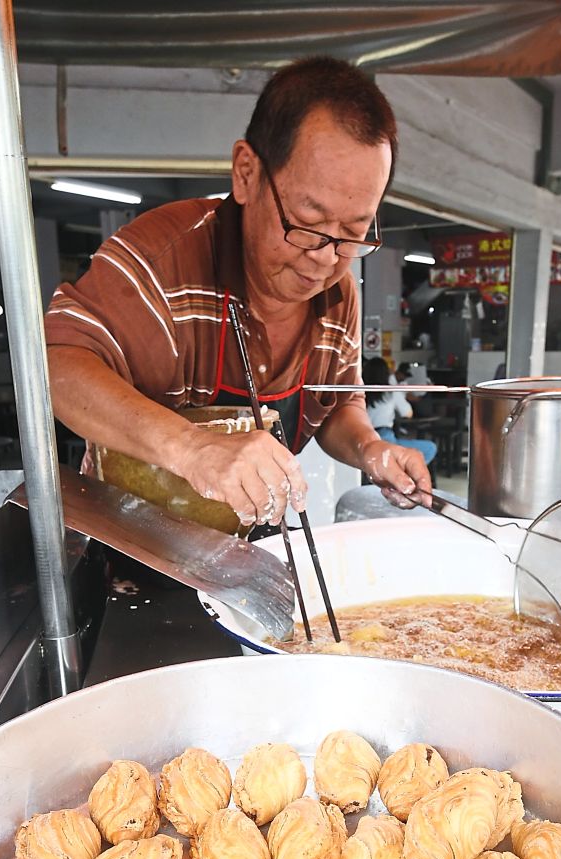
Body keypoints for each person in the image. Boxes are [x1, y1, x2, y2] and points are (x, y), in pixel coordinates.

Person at [44, 56, 431, 528]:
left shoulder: (339, 294)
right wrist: (191, 446)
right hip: (134, 552)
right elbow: (55, 365)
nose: (326, 257)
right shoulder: (163, 257)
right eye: (308, 224)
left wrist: (372, 449)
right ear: (246, 173)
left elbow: (337, 404)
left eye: (352, 232)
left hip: (255, 545)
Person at [362, 355, 437, 467]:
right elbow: (407, 413)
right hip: (385, 438)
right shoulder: (391, 391)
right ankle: (406, 473)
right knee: (430, 448)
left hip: (363, 439)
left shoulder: (359, 392)